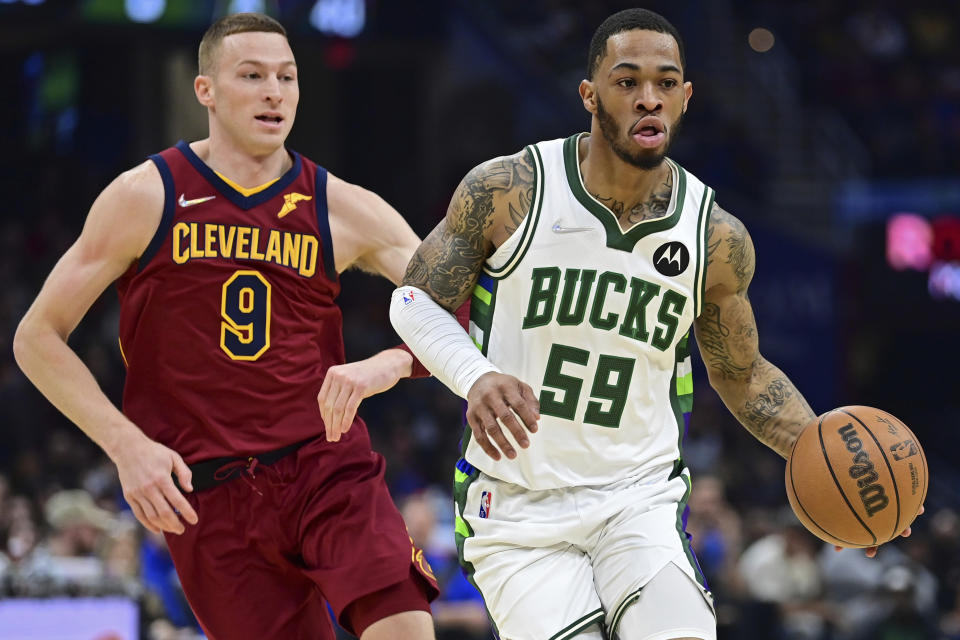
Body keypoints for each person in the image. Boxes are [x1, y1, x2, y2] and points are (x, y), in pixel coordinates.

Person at [390, 8, 917, 640]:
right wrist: (475, 377)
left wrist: (846, 473)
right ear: (589, 94)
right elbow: (413, 301)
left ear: (686, 97)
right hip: (517, 506)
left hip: (636, 498)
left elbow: (741, 374)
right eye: (627, 80)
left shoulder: (715, 236)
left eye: (666, 83)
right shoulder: (510, 190)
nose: (648, 98)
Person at [14, 13, 438, 640]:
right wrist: (127, 447)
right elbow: (36, 337)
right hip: (209, 495)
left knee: (403, 629)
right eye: (253, 75)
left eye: (287, 77)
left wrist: (394, 362)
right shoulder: (145, 196)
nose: (275, 91)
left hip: (325, 466)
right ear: (205, 90)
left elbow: (464, 306)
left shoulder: (343, 206)